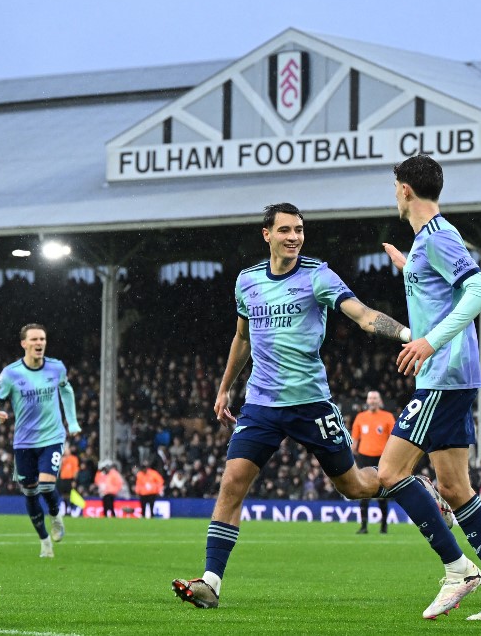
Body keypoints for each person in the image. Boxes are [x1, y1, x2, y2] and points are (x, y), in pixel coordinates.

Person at [172, 202, 448, 610]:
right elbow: (242, 339)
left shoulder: (318, 275)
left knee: (354, 487)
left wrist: (409, 333)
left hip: (311, 403)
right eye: (285, 230)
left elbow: (364, 316)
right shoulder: (247, 281)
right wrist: (224, 388)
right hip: (261, 405)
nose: (294, 237)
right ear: (267, 234)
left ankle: (415, 485)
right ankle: (211, 582)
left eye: (299, 230)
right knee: (232, 483)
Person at [378, 154, 481, 621]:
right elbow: (442, 294)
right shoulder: (427, 241)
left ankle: (458, 570)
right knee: (454, 486)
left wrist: (429, 341)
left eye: (395, 186)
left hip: (443, 377)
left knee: (388, 473)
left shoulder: (440, 237)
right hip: (450, 377)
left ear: (404, 189)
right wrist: (410, 271)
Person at [0, 323, 81, 558]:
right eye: (35, 340)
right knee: (29, 493)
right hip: (24, 443)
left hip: (52, 437)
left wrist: (73, 421)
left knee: (46, 486)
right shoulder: (11, 373)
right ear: (24, 343)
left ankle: (57, 516)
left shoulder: (56, 368)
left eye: (43, 339)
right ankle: (44, 541)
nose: (39, 343)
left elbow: (66, 391)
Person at [350, 390, 395, 534]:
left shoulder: (387, 417)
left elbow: (393, 439)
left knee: (382, 493)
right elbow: (355, 440)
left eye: (375, 398)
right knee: (364, 492)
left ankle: (384, 526)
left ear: (379, 401)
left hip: (382, 458)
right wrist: (353, 454)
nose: (373, 400)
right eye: (370, 398)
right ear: (367, 401)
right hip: (364, 457)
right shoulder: (360, 417)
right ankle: (363, 526)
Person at [57, 443, 79, 515]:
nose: (65, 451)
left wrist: (74, 480)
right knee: (64, 495)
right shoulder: (62, 459)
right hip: (63, 479)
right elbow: (59, 470)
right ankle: (66, 510)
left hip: (70, 479)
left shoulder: (73, 459)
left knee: (70, 495)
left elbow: (75, 470)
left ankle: (71, 509)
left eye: (66, 449)